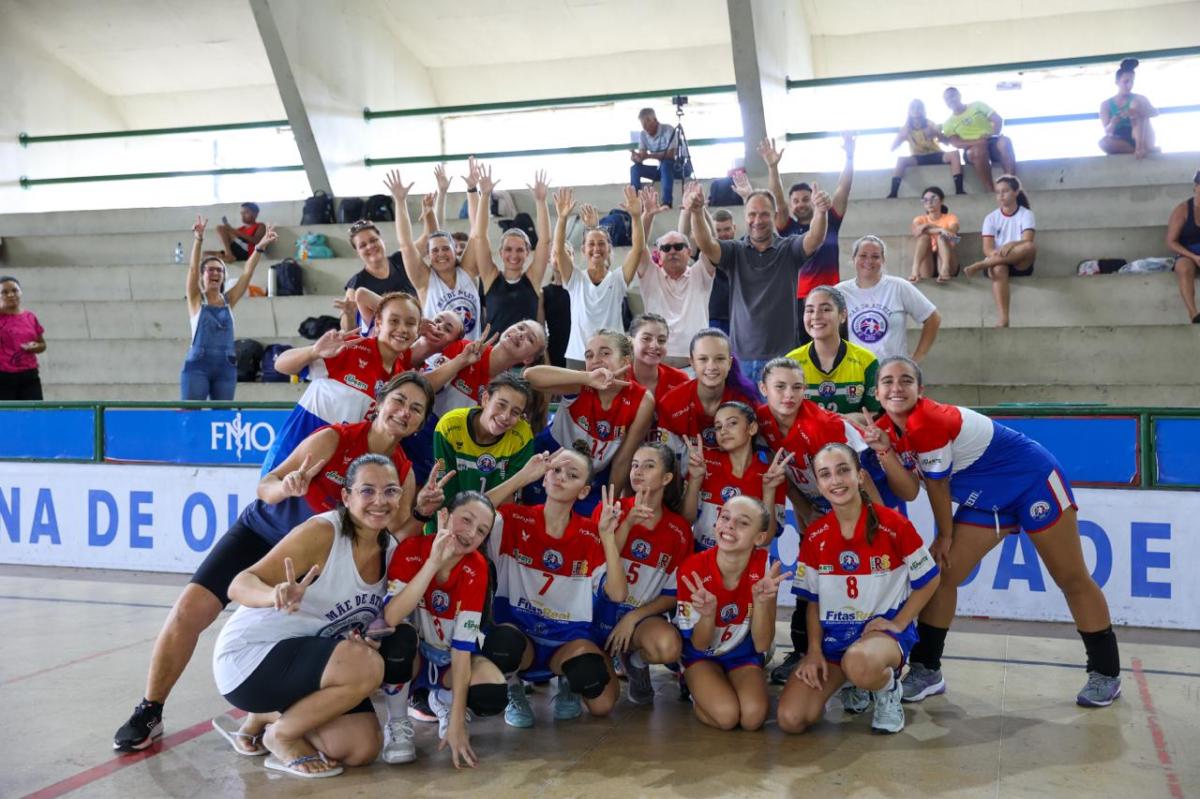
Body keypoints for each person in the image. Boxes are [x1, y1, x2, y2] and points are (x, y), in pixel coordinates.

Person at [113, 374, 435, 753]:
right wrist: (286, 487)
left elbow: (396, 531)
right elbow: (266, 485)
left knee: (304, 636)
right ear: (379, 402)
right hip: (265, 532)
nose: (404, 412)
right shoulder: (333, 438)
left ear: (420, 421)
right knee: (190, 610)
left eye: (416, 409)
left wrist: (421, 511)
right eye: (399, 400)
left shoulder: (403, 471)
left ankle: (268, 713)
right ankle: (150, 708)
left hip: (312, 563)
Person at [871, 356, 1123, 708]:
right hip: (986, 497)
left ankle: (1106, 673)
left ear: (920, 389)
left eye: (905, 380)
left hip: (1032, 481)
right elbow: (910, 490)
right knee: (941, 574)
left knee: (1071, 577)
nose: (896, 387)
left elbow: (937, 486)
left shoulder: (927, 420)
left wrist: (944, 536)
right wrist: (882, 449)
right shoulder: (885, 428)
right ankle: (927, 669)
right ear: (877, 392)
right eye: (887, 381)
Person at [210, 454, 403, 777]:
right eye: (367, 491)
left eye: (391, 491)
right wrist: (273, 595)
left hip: (307, 665)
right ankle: (281, 736)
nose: (380, 501)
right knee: (366, 666)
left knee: (360, 747)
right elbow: (238, 584)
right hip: (250, 658)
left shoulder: (392, 549)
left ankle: (265, 716)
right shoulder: (324, 532)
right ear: (346, 496)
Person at [754, 357, 914, 685]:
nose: (788, 395)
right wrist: (802, 511)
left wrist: (880, 522)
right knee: (810, 576)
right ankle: (805, 651)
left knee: (867, 567)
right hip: (818, 499)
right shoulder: (761, 422)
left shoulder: (821, 426)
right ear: (763, 389)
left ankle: (883, 656)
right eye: (780, 387)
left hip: (862, 493)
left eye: (797, 387)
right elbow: (787, 473)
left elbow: (861, 475)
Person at [776, 443, 940, 735]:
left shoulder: (894, 525)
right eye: (825, 474)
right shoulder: (815, 535)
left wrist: (899, 622)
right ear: (818, 483)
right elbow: (811, 602)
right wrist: (813, 652)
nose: (835, 481)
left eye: (843, 471)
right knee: (792, 718)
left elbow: (930, 579)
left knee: (860, 662)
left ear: (860, 476)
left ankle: (887, 688)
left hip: (878, 639)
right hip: (833, 644)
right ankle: (852, 682)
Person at [483, 452, 627, 727]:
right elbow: (468, 513)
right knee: (501, 645)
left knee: (602, 703)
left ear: (584, 491)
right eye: (556, 470)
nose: (561, 478)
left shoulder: (590, 534)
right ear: (544, 475)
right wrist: (523, 477)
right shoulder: (514, 518)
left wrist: (607, 537)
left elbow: (618, 594)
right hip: (519, 637)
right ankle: (513, 686)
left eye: (572, 475)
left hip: (567, 643)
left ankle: (568, 681)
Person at [379, 492, 503, 768]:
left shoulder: (477, 568)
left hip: (447, 660)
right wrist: (433, 562)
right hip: (414, 656)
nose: (470, 533)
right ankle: (398, 722)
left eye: (481, 531)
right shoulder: (411, 548)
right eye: (466, 520)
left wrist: (458, 721)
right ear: (445, 515)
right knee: (396, 640)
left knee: (492, 695)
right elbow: (391, 616)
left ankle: (443, 701)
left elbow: (461, 650)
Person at [260, 292, 425, 474]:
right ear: (378, 322)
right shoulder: (352, 348)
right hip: (291, 460)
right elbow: (281, 365)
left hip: (337, 476)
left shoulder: (401, 379)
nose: (402, 329)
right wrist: (314, 352)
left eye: (410, 323)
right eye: (394, 321)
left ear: (418, 330)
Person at [687, 181, 830, 382]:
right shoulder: (734, 251)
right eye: (752, 214)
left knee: (779, 414)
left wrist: (821, 212)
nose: (757, 220)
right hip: (741, 358)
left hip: (782, 358)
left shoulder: (789, 249)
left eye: (764, 214)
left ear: (775, 216)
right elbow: (706, 243)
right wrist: (696, 212)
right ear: (745, 217)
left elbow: (815, 238)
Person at [675, 496, 789, 730]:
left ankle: (723, 684)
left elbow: (762, 643)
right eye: (725, 517)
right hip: (701, 655)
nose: (729, 526)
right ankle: (692, 688)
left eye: (743, 523)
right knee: (727, 718)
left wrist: (761, 603)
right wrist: (707, 614)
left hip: (742, 653)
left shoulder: (767, 568)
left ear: (759, 538)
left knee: (752, 719)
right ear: (715, 524)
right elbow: (698, 644)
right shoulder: (693, 568)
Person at [591, 442, 691, 704]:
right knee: (602, 703)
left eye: (648, 466)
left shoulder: (678, 530)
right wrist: (627, 524)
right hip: (593, 615)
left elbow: (673, 595)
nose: (637, 471)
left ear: (667, 478)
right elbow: (597, 567)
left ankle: (634, 660)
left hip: (637, 621)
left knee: (668, 646)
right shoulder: (609, 509)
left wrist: (633, 617)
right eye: (635, 465)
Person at [523, 329, 654, 509]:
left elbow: (623, 460)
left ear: (625, 361)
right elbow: (530, 376)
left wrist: (608, 507)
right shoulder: (581, 382)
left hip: (593, 476)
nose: (595, 360)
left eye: (605, 353)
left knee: (588, 526)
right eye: (589, 355)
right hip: (549, 463)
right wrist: (585, 377)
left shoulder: (643, 400)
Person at [764, 135, 855, 344]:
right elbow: (777, 197)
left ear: (814, 201)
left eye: (806, 199)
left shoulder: (830, 219)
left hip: (832, 296)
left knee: (837, 349)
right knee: (802, 356)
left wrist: (850, 156)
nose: (801, 204)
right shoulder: (787, 228)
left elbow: (843, 189)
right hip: (799, 302)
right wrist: (772, 167)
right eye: (795, 201)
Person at [182, 216, 276, 401]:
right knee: (191, 415)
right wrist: (198, 239)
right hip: (197, 367)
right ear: (202, 276)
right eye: (210, 269)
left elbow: (247, 272)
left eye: (220, 270)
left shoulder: (229, 300)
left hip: (225, 367)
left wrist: (260, 247)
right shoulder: (195, 300)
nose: (216, 273)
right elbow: (193, 268)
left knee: (223, 417)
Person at [553, 186, 643, 366]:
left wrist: (635, 217)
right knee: (579, 395)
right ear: (583, 250)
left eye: (601, 244)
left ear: (609, 249)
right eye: (591, 244)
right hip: (578, 355)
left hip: (612, 357)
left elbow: (638, 249)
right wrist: (562, 218)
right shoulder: (575, 278)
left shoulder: (618, 279)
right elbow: (558, 250)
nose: (596, 248)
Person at [387, 170, 483, 340]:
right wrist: (400, 201)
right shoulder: (424, 279)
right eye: (435, 251)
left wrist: (472, 189)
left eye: (446, 248)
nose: (441, 254)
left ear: (455, 250)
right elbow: (406, 245)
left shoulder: (467, 271)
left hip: (470, 357)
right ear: (429, 256)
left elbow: (477, 231)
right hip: (436, 362)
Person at [682, 402, 790, 551]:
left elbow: (766, 539)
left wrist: (769, 490)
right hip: (702, 563)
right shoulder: (703, 463)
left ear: (752, 428)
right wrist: (695, 478)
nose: (723, 431)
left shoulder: (771, 475)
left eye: (732, 423)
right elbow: (687, 519)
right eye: (718, 427)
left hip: (748, 569)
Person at [656, 328, 761, 463]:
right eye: (703, 359)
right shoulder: (670, 403)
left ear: (729, 363)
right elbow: (669, 463)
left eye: (719, 359)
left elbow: (758, 457)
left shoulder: (747, 402)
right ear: (692, 362)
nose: (711, 366)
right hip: (688, 480)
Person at [469, 167, 550, 335]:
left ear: (527, 253)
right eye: (508, 249)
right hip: (497, 357)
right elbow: (480, 237)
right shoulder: (491, 277)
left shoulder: (532, 279)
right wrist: (484, 195)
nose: (514, 255)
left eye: (520, 250)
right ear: (500, 253)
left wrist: (541, 202)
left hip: (527, 358)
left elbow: (544, 241)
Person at [432, 372, 536, 500]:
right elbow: (444, 489)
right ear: (485, 399)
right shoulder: (450, 426)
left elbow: (508, 494)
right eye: (501, 405)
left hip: (493, 515)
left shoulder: (522, 436)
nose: (505, 417)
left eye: (515, 412)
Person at [836, 237, 941, 362]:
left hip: (893, 372)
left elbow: (933, 317)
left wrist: (918, 357)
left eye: (875, 256)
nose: (869, 261)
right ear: (854, 259)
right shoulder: (840, 292)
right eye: (863, 255)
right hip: (855, 372)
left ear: (883, 260)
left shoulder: (898, 286)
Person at [783, 286, 883, 415]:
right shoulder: (791, 362)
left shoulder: (866, 360)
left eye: (825, 309)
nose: (816, 316)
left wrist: (839, 423)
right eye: (810, 310)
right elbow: (784, 414)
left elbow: (875, 412)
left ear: (842, 315)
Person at [426, 319, 547, 417]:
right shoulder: (462, 347)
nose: (521, 334)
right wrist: (460, 361)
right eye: (520, 327)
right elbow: (422, 388)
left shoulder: (506, 389)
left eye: (530, 339)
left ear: (529, 359)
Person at [963, 176, 1036, 328]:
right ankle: (1004, 319)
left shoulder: (1026, 214)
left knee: (1030, 247)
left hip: (1020, 262)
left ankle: (980, 265)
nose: (1001, 196)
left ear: (1016, 192)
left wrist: (1012, 244)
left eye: (1005, 191)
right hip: (995, 261)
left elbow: (1027, 240)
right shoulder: (991, 218)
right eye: (998, 192)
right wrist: (998, 256)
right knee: (999, 267)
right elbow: (987, 249)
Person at [340, 220, 417, 333]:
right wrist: (349, 315)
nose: (370, 246)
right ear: (357, 252)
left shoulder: (401, 259)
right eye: (363, 245)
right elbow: (347, 330)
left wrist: (436, 206)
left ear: (382, 240)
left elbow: (430, 238)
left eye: (373, 240)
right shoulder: (357, 284)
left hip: (418, 328)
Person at [941, 87, 1016, 193]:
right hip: (972, 149)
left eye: (952, 96)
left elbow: (997, 120)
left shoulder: (977, 105)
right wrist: (978, 142)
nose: (951, 100)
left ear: (959, 96)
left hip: (991, 141)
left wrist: (992, 133)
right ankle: (991, 191)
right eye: (947, 99)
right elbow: (956, 143)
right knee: (977, 150)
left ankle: (1010, 184)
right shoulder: (948, 123)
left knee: (1005, 141)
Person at [628, 313, 689, 441]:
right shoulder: (619, 379)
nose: (655, 345)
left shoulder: (680, 380)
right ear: (631, 341)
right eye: (646, 338)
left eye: (661, 340)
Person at [678, 204, 737, 333]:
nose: (723, 234)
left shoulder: (741, 249)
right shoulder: (706, 252)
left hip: (738, 317)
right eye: (718, 230)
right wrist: (689, 210)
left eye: (727, 229)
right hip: (711, 317)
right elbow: (683, 239)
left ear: (734, 228)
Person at [888, 99, 964, 198]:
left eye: (919, 107)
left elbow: (946, 142)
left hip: (936, 154)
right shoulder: (906, 128)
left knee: (954, 154)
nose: (916, 110)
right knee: (901, 160)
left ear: (924, 110)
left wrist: (935, 133)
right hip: (918, 157)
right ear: (909, 111)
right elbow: (892, 148)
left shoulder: (930, 123)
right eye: (913, 108)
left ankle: (959, 190)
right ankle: (893, 193)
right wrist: (900, 137)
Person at [1098, 58, 1158, 159]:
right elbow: (1107, 130)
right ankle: (1137, 151)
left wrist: (1137, 111)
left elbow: (1155, 112)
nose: (1129, 85)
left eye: (1131, 82)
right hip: (1122, 140)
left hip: (1142, 136)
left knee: (1135, 104)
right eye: (1126, 82)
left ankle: (1140, 147)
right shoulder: (1106, 105)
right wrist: (1113, 122)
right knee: (1103, 143)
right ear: (1117, 82)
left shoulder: (1139, 98)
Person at [0, 276, 46, 400]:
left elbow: (42, 345)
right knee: (6, 415)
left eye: (15, 290)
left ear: (20, 292)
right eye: (4, 292)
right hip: (3, 376)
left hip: (29, 375)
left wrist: (36, 346)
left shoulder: (30, 317)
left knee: (33, 412)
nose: (11, 295)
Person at [1165, 169, 1200, 323]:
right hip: (1188, 254)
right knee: (1184, 268)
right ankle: (1194, 314)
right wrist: (1194, 256)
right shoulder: (1183, 209)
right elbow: (1171, 241)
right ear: (1196, 186)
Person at [630, 107, 681, 208]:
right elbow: (642, 154)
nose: (645, 127)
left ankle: (667, 202)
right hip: (661, 171)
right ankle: (636, 202)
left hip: (675, 169)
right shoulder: (643, 134)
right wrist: (637, 157)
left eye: (647, 122)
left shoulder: (668, 130)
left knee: (666, 164)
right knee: (635, 169)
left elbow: (671, 155)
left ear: (655, 120)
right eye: (642, 124)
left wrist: (649, 155)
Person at [909, 187, 961, 283]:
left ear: (941, 200)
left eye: (933, 198)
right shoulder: (919, 219)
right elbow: (916, 232)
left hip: (948, 261)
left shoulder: (951, 218)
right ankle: (915, 269)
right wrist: (939, 229)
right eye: (925, 200)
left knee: (942, 237)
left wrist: (929, 227)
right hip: (927, 264)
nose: (929, 202)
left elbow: (953, 235)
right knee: (924, 237)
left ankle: (945, 268)